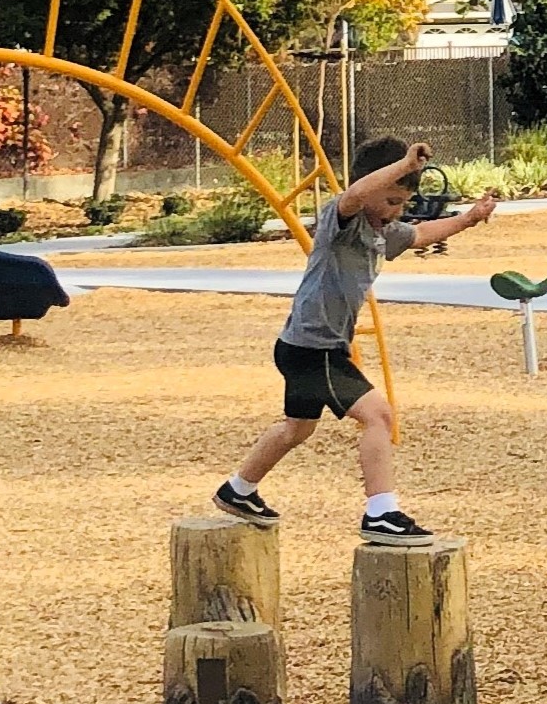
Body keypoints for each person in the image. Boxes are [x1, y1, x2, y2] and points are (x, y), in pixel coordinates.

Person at [212, 135, 498, 538]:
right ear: (373, 188)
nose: (397, 212)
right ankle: (380, 512)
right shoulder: (341, 220)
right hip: (315, 348)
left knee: (298, 427)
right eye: (392, 201)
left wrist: (469, 218)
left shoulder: (385, 231)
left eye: (402, 204)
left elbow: (421, 234)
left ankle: (238, 489)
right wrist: (404, 166)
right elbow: (357, 193)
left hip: (305, 346)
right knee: (379, 416)